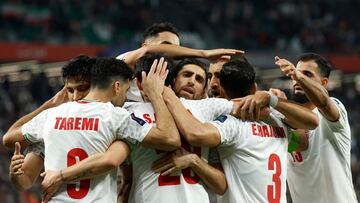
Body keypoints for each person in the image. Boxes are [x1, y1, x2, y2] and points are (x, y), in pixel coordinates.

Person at [3, 58, 180, 202]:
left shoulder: (50, 117)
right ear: (117, 87)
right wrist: (157, 94)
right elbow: (170, 139)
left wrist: (15, 176)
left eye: (79, 88)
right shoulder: (117, 117)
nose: (126, 97)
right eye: (126, 91)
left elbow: (11, 144)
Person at [154, 59, 319, 202]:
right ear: (254, 88)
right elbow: (306, 135)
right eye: (210, 76)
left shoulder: (231, 124)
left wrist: (166, 94)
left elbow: (195, 134)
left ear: (223, 89)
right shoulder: (275, 119)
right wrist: (276, 102)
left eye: (216, 77)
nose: (212, 83)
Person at [274, 53, 357, 203]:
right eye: (297, 73)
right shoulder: (284, 119)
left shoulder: (334, 110)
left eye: (307, 74)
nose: (297, 78)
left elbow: (324, 103)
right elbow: (300, 142)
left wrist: (296, 75)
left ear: (324, 83)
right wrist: (278, 106)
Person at [5, 55, 95, 191]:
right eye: (70, 90)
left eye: (82, 88)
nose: (76, 97)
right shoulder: (53, 123)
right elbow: (25, 180)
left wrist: (48, 106)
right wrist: (15, 174)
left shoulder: (112, 117)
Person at [117, 22, 243, 102]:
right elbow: (147, 50)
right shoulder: (125, 64)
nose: (175, 53)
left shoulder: (173, 81)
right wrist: (204, 54)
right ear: (145, 45)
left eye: (177, 48)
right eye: (167, 45)